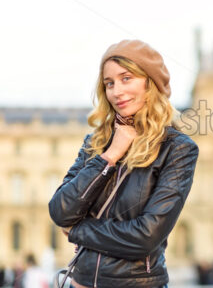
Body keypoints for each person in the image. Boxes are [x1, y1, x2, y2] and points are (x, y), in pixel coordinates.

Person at [49, 39, 199, 288]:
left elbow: (145, 236)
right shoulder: (96, 141)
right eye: (109, 83)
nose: (116, 91)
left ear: (150, 83)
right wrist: (109, 156)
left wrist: (77, 230)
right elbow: (60, 210)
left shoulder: (177, 148)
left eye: (126, 78)